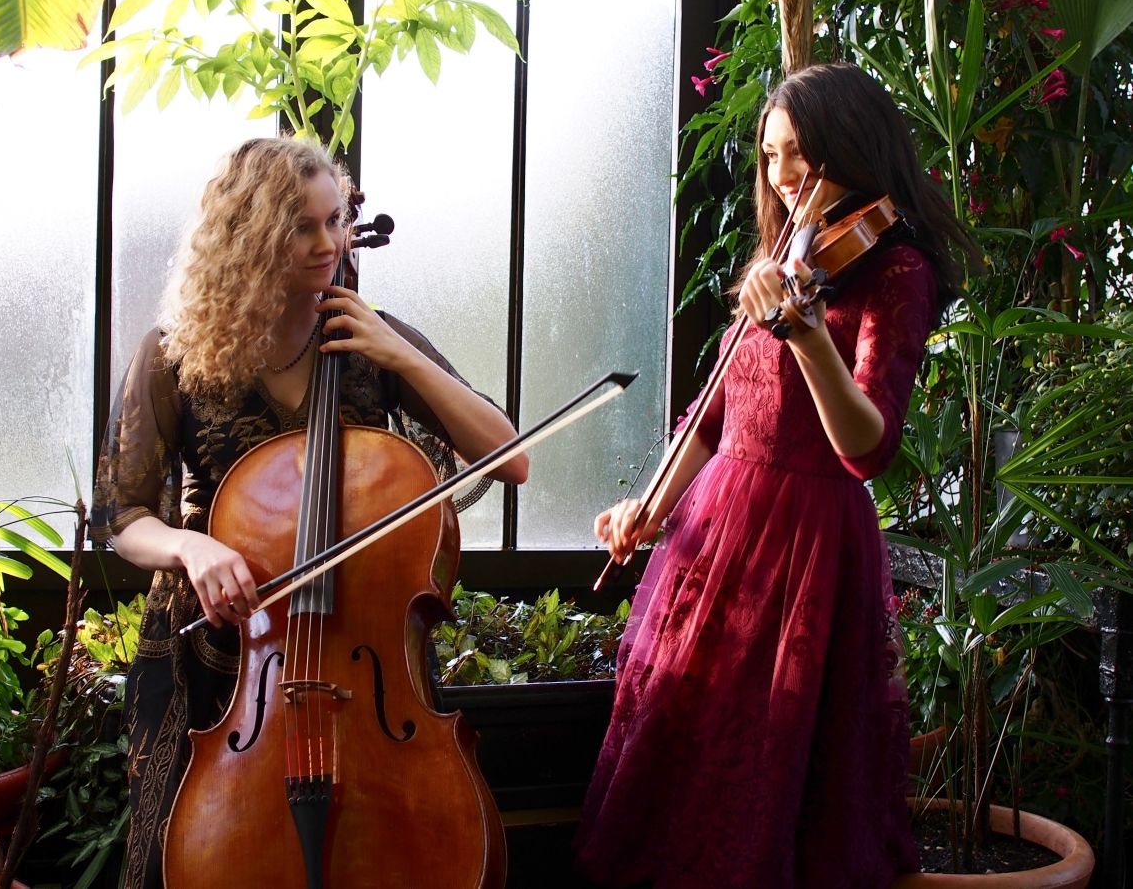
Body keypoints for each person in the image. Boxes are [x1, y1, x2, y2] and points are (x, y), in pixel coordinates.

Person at [573, 62, 973, 888]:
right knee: (680, 755)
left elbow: (867, 445)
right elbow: (717, 416)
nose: (782, 176)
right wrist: (648, 504)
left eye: (799, 153)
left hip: (806, 551)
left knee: (772, 773)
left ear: (850, 147)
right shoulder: (787, 255)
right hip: (717, 530)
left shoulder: (895, 270)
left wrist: (805, 333)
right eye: (770, 156)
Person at [90, 136, 528, 889]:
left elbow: (510, 456)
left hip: (364, 659)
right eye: (303, 226)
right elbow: (120, 516)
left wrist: (402, 355)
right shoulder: (175, 354)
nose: (329, 242)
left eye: (336, 222)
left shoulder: (368, 337)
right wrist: (193, 551)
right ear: (251, 236)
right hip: (225, 661)